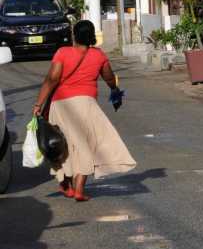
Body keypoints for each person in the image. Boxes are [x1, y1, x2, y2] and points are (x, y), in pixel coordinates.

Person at [32, 20, 135, 202]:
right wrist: (114, 90)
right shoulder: (99, 56)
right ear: (92, 36)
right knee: (86, 145)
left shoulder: (63, 53)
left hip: (61, 104)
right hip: (87, 104)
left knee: (63, 144)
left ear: (75, 35)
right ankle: (79, 189)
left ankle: (65, 183)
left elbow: (52, 79)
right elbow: (109, 78)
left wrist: (39, 104)